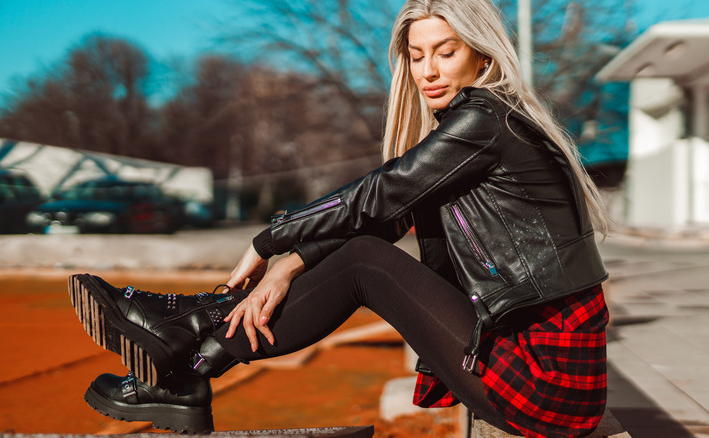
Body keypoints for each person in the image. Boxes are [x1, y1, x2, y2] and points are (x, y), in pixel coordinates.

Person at [69, 0, 611, 436]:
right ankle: (188, 366)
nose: (428, 71)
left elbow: (377, 196)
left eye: (445, 52)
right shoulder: (480, 129)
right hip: (541, 363)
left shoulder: (485, 121)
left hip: (548, 379)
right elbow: (387, 217)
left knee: (366, 264)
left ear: (481, 54)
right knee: (361, 255)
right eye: (417, 56)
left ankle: (186, 332)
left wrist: (270, 241)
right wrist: (293, 264)